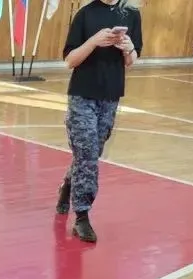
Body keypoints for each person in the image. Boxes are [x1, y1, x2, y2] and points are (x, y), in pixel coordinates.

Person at [56, 0, 142, 244]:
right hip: (82, 96)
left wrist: (128, 48)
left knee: (91, 152)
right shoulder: (85, 14)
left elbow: (131, 61)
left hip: (110, 96)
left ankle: (68, 185)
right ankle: (82, 216)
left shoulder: (131, 14)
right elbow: (70, 60)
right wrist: (93, 41)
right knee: (86, 153)